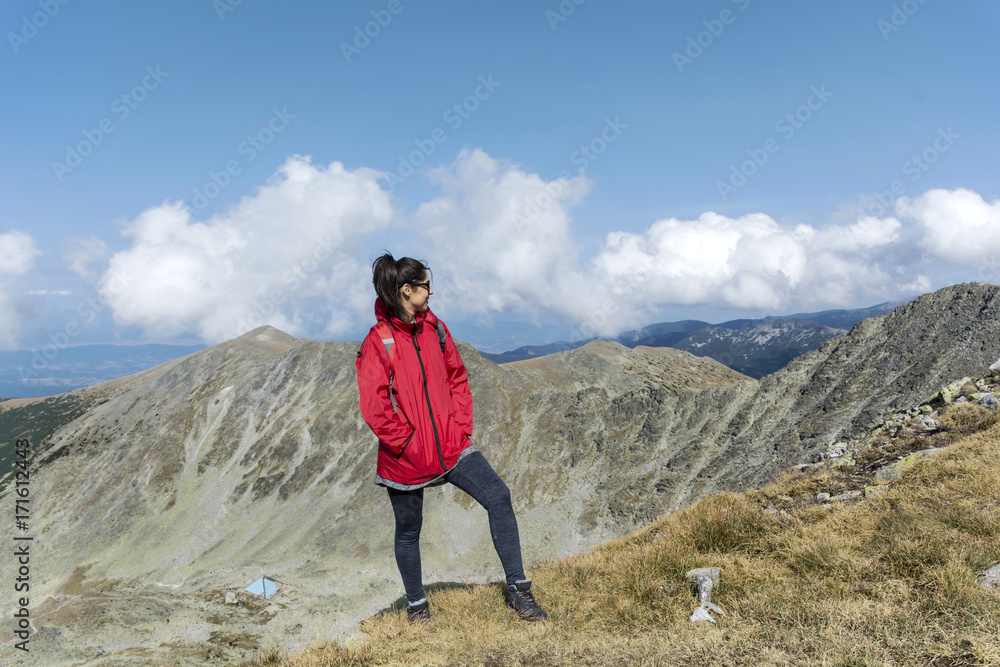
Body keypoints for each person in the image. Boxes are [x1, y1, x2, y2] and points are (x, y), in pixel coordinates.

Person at [355, 252, 547, 623]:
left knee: (499, 497)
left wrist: (459, 425)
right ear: (407, 290)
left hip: (451, 445)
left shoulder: (435, 328)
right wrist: (408, 443)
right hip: (405, 458)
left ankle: (519, 592)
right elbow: (374, 406)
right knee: (409, 532)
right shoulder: (379, 341)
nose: (432, 291)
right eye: (426, 286)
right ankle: (417, 608)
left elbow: (457, 376)